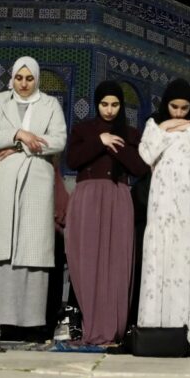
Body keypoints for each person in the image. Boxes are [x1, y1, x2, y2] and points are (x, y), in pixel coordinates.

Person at [0, 57, 67, 332]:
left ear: (37, 79)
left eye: (29, 78)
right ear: (11, 78)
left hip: (34, 180)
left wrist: (18, 146)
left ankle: (27, 324)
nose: (24, 84)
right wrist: (18, 134)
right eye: (19, 78)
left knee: (30, 247)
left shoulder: (49, 104)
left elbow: (59, 140)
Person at [137, 78, 190, 346]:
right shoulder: (154, 125)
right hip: (163, 198)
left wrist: (189, 127)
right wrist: (164, 127)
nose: (179, 113)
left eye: (185, 108)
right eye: (174, 107)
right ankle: (157, 330)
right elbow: (146, 155)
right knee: (163, 254)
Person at [65, 81, 148, 345]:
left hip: (117, 197)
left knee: (116, 262)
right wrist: (99, 141)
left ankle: (113, 329)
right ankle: (91, 325)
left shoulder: (131, 133)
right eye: (104, 104)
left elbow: (139, 167)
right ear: (96, 104)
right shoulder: (83, 129)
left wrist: (117, 145)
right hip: (88, 198)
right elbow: (73, 160)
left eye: (114, 105)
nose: (109, 110)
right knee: (88, 261)